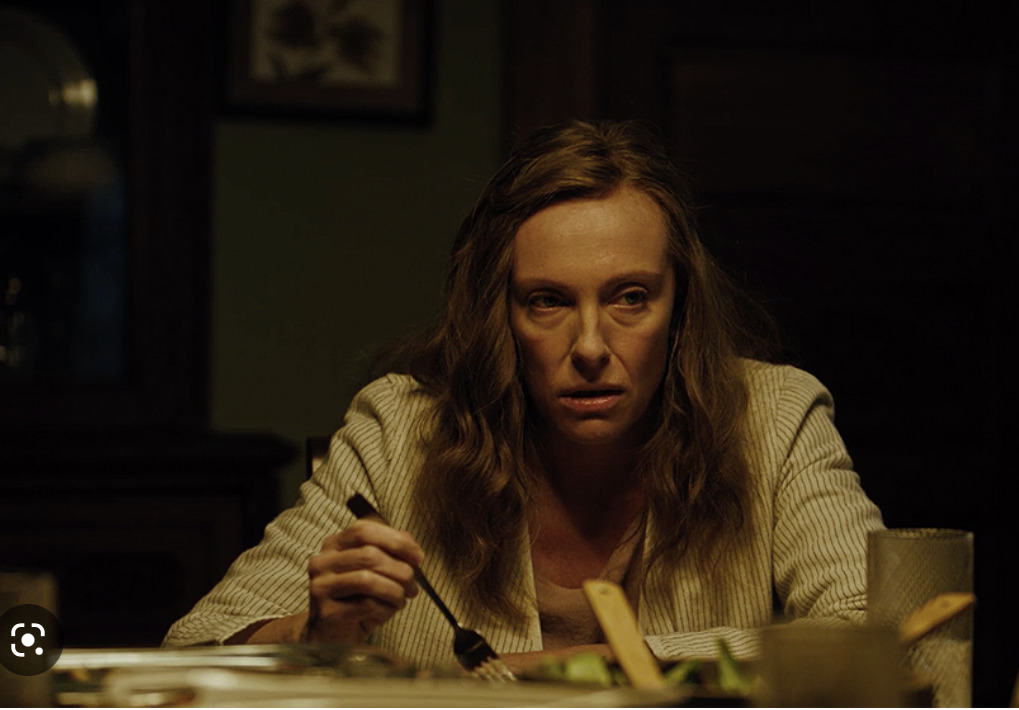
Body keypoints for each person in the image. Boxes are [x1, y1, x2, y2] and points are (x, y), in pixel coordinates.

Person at [164, 119, 884, 672]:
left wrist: (571, 674)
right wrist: (314, 635)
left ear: (681, 309)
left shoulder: (775, 419)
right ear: (499, 315)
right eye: (547, 301)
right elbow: (195, 650)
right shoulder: (401, 429)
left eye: (631, 298)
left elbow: (880, 636)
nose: (592, 346)